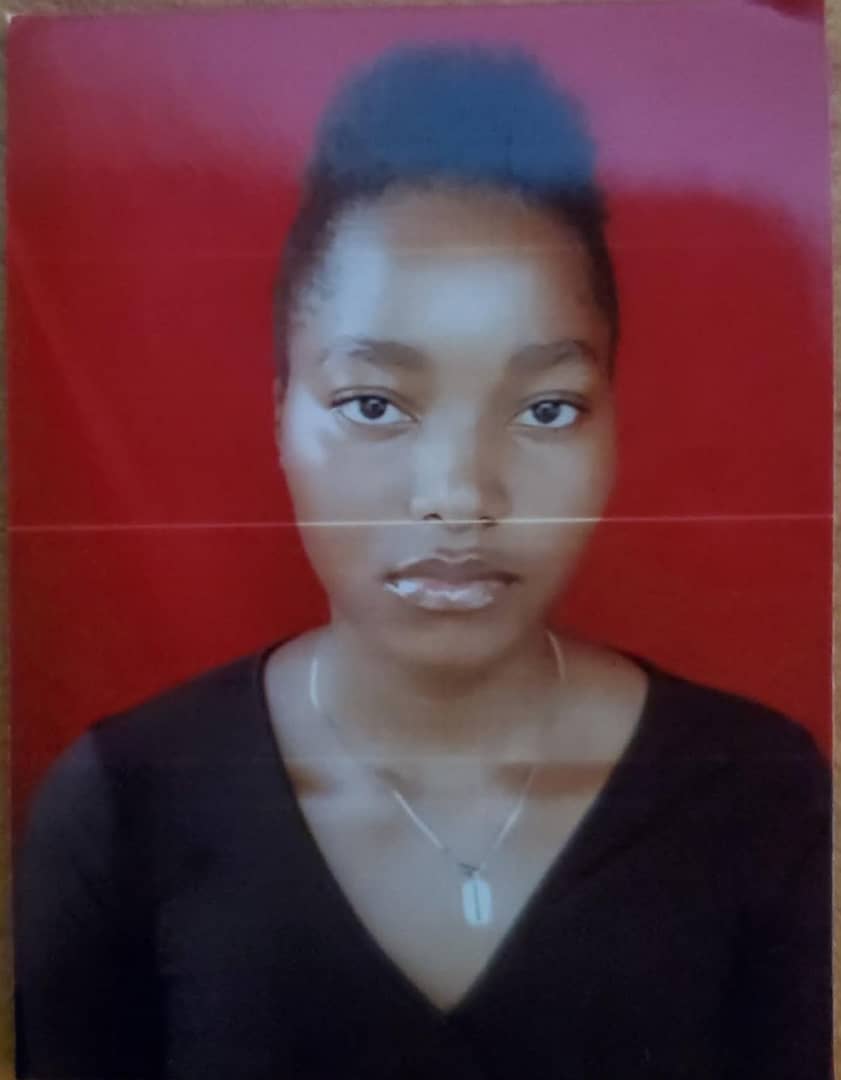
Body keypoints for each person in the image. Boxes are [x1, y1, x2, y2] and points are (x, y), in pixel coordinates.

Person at [14, 43, 830, 1080]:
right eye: (374, 404)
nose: (459, 493)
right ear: (279, 417)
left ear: (615, 424)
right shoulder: (125, 805)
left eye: (546, 409)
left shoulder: (758, 792)